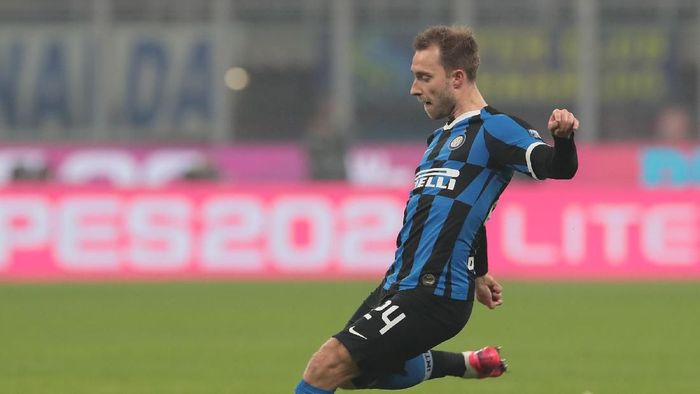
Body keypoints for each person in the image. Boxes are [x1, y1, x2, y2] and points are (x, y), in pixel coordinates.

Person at [295, 25, 579, 393]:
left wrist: (563, 137)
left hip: (433, 292)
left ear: (457, 78)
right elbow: (465, 209)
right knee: (356, 376)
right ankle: (466, 363)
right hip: (398, 282)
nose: (415, 88)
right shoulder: (439, 139)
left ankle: (458, 363)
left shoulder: (497, 130)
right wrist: (480, 270)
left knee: (326, 364)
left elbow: (557, 168)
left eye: (424, 77)